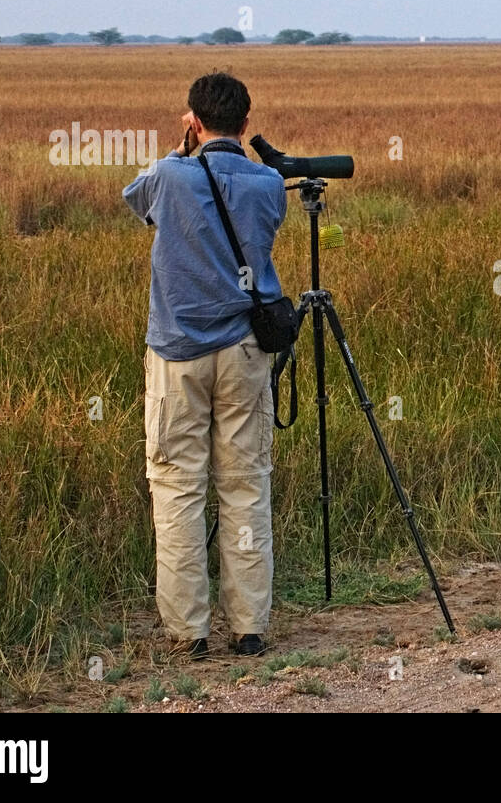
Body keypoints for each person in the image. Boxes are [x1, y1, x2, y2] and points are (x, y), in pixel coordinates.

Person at [123, 71, 286, 655]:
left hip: (177, 354)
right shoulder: (268, 184)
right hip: (244, 351)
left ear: (193, 120)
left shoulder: (170, 175)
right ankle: (249, 628)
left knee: (177, 488)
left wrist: (179, 147)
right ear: (246, 125)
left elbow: (134, 200)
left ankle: (189, 631)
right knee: (244, 486)